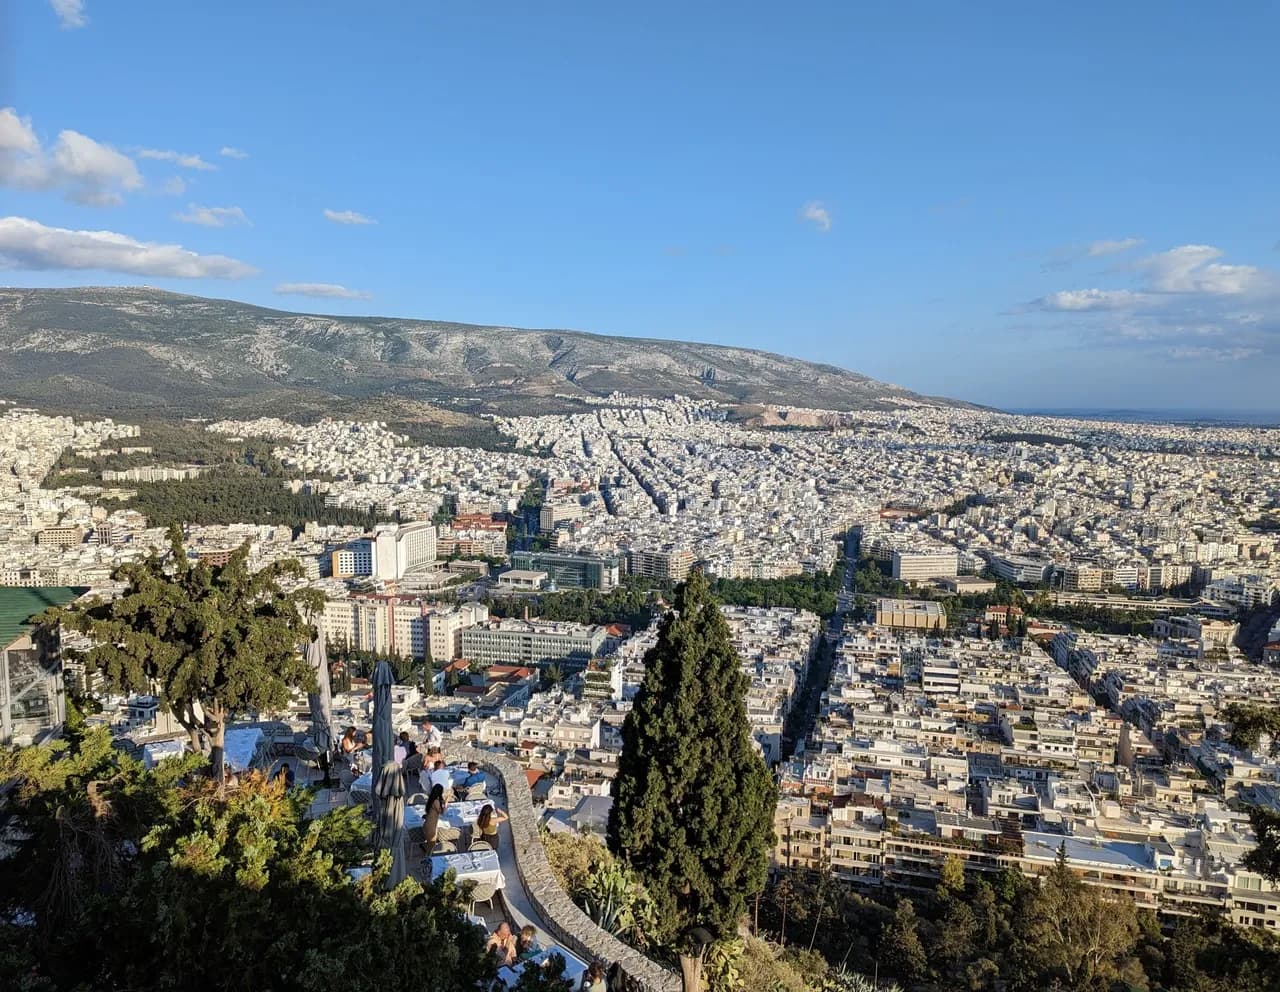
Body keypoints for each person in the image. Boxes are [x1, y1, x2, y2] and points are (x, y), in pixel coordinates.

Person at [420, 783, 447, 852]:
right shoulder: (436, 801)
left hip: (428, 824)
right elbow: (442, 812)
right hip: (431, 827)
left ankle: (425, 847)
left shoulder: (431, 799)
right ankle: (427, 853)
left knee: (431, 843)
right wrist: (446, 802)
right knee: (431, 846)